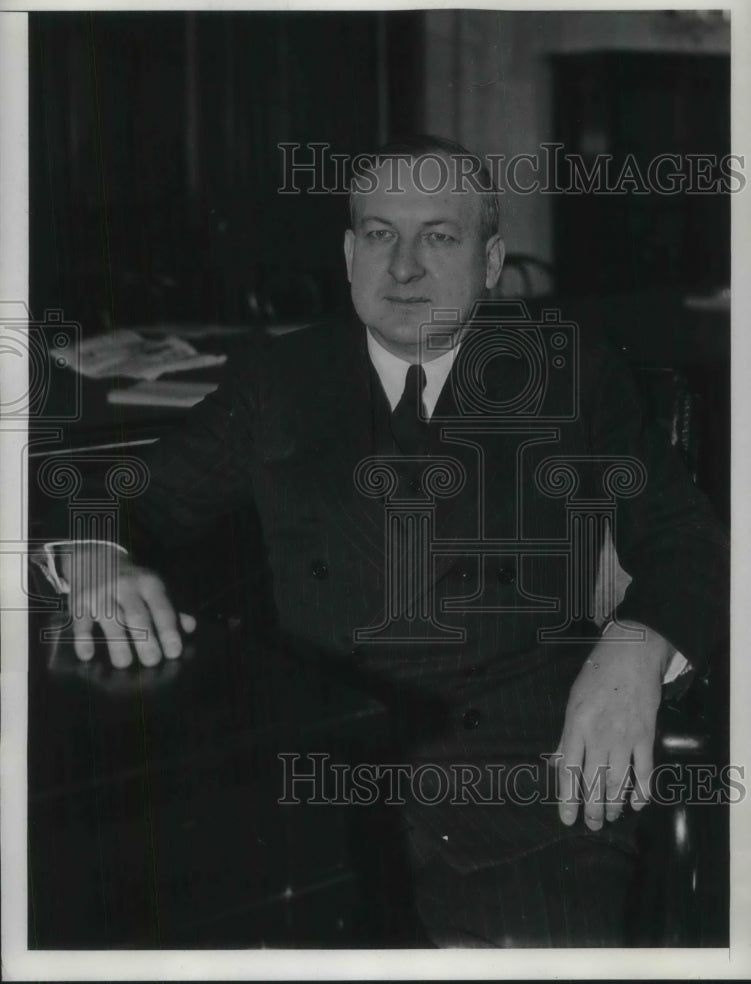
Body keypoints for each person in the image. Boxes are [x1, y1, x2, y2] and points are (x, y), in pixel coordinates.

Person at [47, 135, 728, 946]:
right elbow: (123, 499)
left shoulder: (569, 375)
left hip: (522, 793)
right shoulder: (283, 379)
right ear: (347, 253)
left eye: (438, 237)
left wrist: (635, 648)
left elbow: (691, 543)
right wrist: (97, 557)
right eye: (378, 234)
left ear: (490, 262)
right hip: (305, 785)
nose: (403, 266)